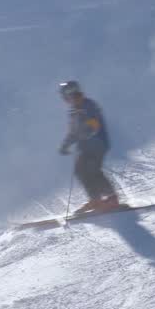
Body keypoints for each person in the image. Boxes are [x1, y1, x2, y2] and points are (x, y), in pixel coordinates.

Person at [57, 80, 119, 214]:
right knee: (80, 170)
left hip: (97, 143)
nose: (64, 100)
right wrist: (65, 145)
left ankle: (111, 198)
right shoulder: (73, 110)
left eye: (65, 96)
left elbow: (94, 122)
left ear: (70, 94)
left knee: (92, 169)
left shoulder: (88, 104)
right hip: (85, 146)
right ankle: (95, 199)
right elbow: (73, 132)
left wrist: (88, 130)